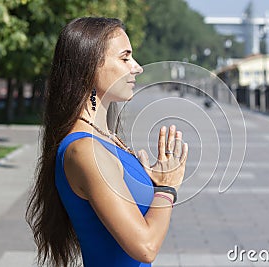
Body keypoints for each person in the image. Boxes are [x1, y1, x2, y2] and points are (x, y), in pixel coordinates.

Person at [26, 17, 188, 267]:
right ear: (89, 67)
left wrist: (151, 184)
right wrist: (167, 189)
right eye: (125, 58)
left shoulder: (104, 140)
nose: (137, 67)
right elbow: (145, 247)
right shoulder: (84, 150)